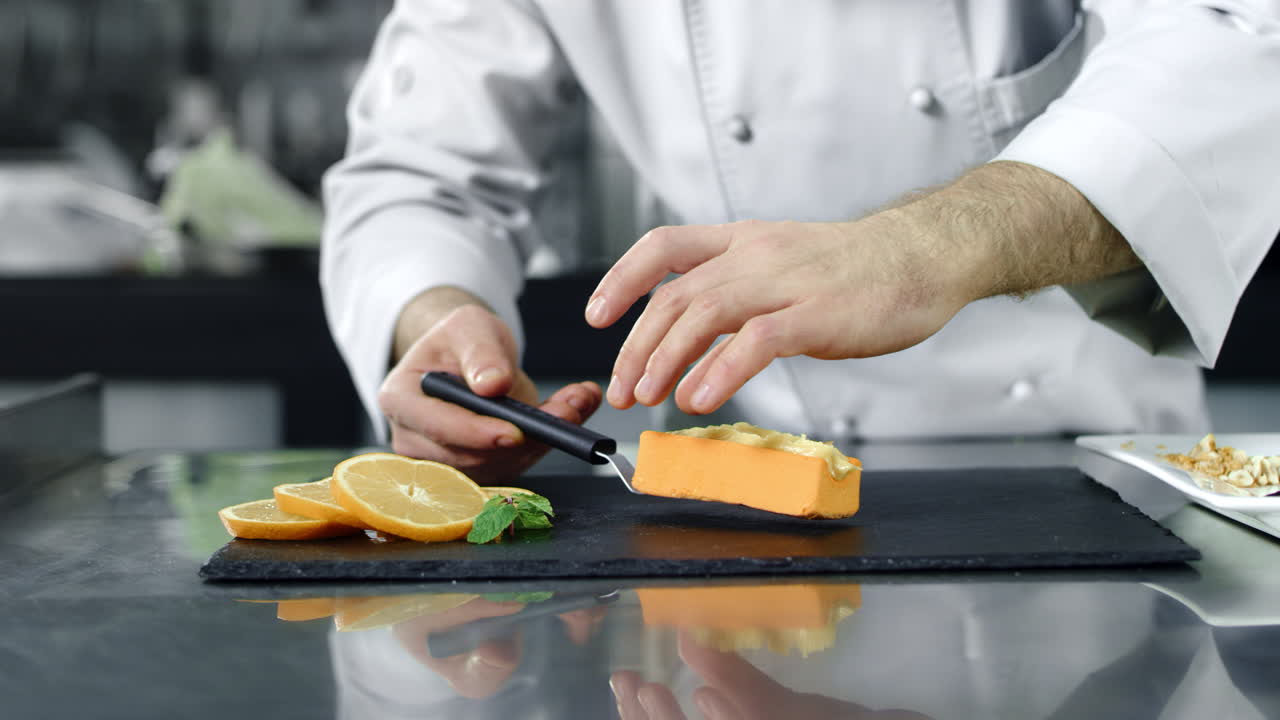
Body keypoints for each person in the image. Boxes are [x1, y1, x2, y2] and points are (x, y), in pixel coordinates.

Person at [321, 1, 1280, 483]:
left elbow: (1233, 42)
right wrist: (435, 320)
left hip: (1095, 491)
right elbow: (419, 171)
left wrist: (922, 246)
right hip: (732, 512)